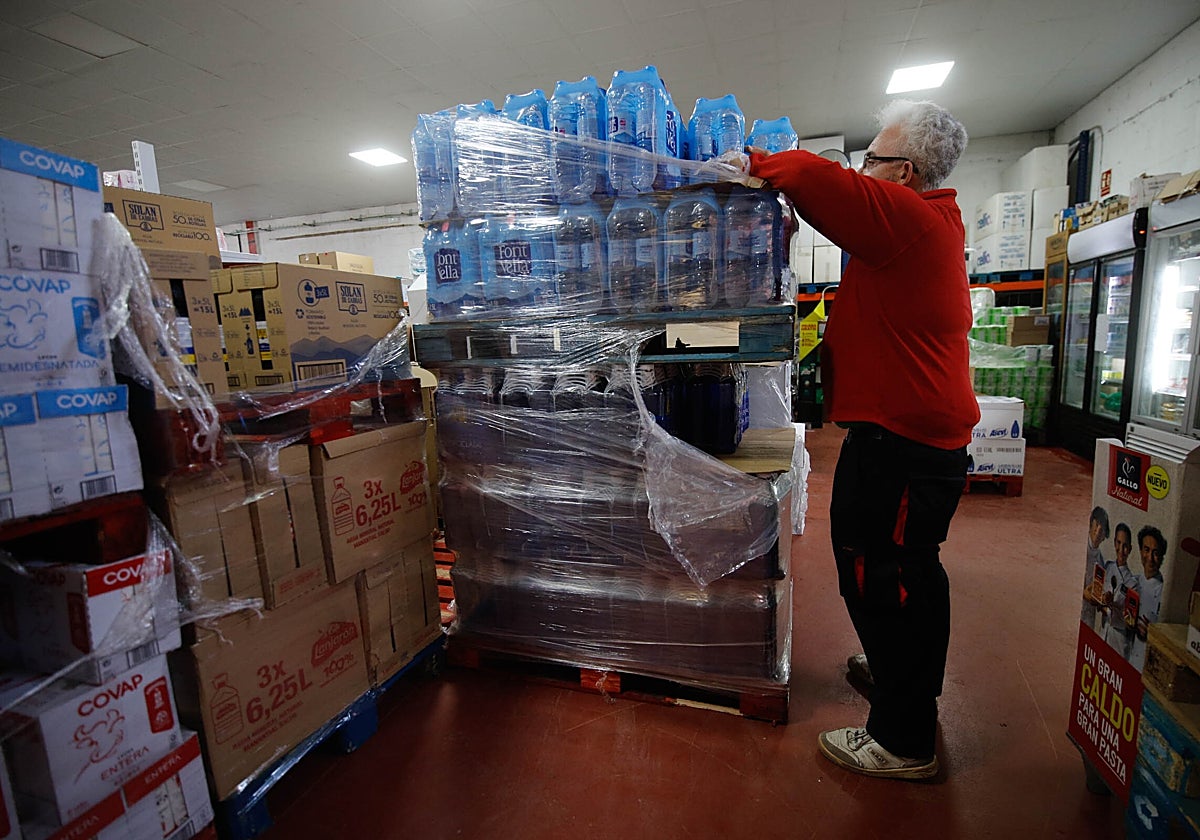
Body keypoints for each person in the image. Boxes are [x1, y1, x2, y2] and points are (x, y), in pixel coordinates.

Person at [748, 100, 975, 781]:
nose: (861, 168)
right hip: (898, 435)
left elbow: (822, 182)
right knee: (887, 565)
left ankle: (904, 740)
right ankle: (896, 670)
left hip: (907, 443)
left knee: (891, 576)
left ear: (903, 172)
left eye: (872, 159)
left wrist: (755, 165)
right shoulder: (916, 227)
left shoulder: (912, 219)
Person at [1129, 525, 1168, 671]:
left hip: (1147, 665)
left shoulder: (1164, 593)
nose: (1150, 558)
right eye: (1146, 550)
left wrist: (1151, 634)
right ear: (1140, 551)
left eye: (1155, 553)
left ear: (1162, 557)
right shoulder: (1133, 581)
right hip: (1127, 656)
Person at [1098, 523, 1135, 659]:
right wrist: (1101, 602)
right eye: (1119, 543)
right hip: (1104, 630)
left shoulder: (1133, 584)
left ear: (1130, 549)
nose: (1121, 549)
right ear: (1114, 543)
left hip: (1119, 639)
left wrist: (1113, 605)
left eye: (1125, 546)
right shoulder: (1108, 567)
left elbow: (1130, 620)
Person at [1080, 506, 1110, 629]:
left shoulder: (1101, 561)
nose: (1098, 532)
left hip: (1089, 616)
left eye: (1102, 530)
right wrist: (1082, 593)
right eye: (1096, 525)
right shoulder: (1081, 549)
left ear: (1104, 536)